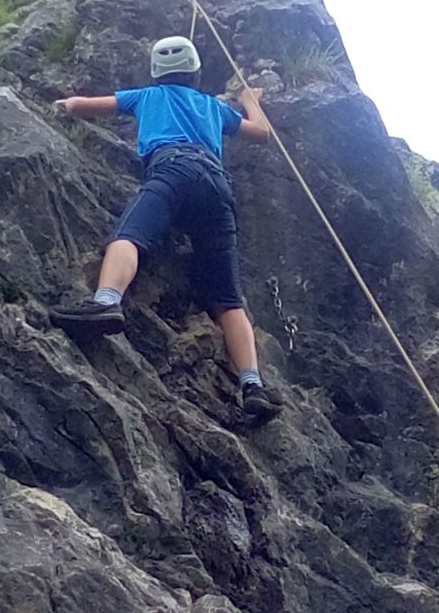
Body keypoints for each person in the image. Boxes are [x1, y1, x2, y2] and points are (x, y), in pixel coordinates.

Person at [50, 35, 283, 418]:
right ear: (196, 73)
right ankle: (252, 384)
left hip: (172, 169)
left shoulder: (146, 96)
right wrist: (249, 99)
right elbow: (262, 134)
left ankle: (105, 301)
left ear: (156, 73)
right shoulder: (212, 106)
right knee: (227, 298)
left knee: (129, 236)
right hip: (216, 188)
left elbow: (87, 105)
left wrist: (65, 105)